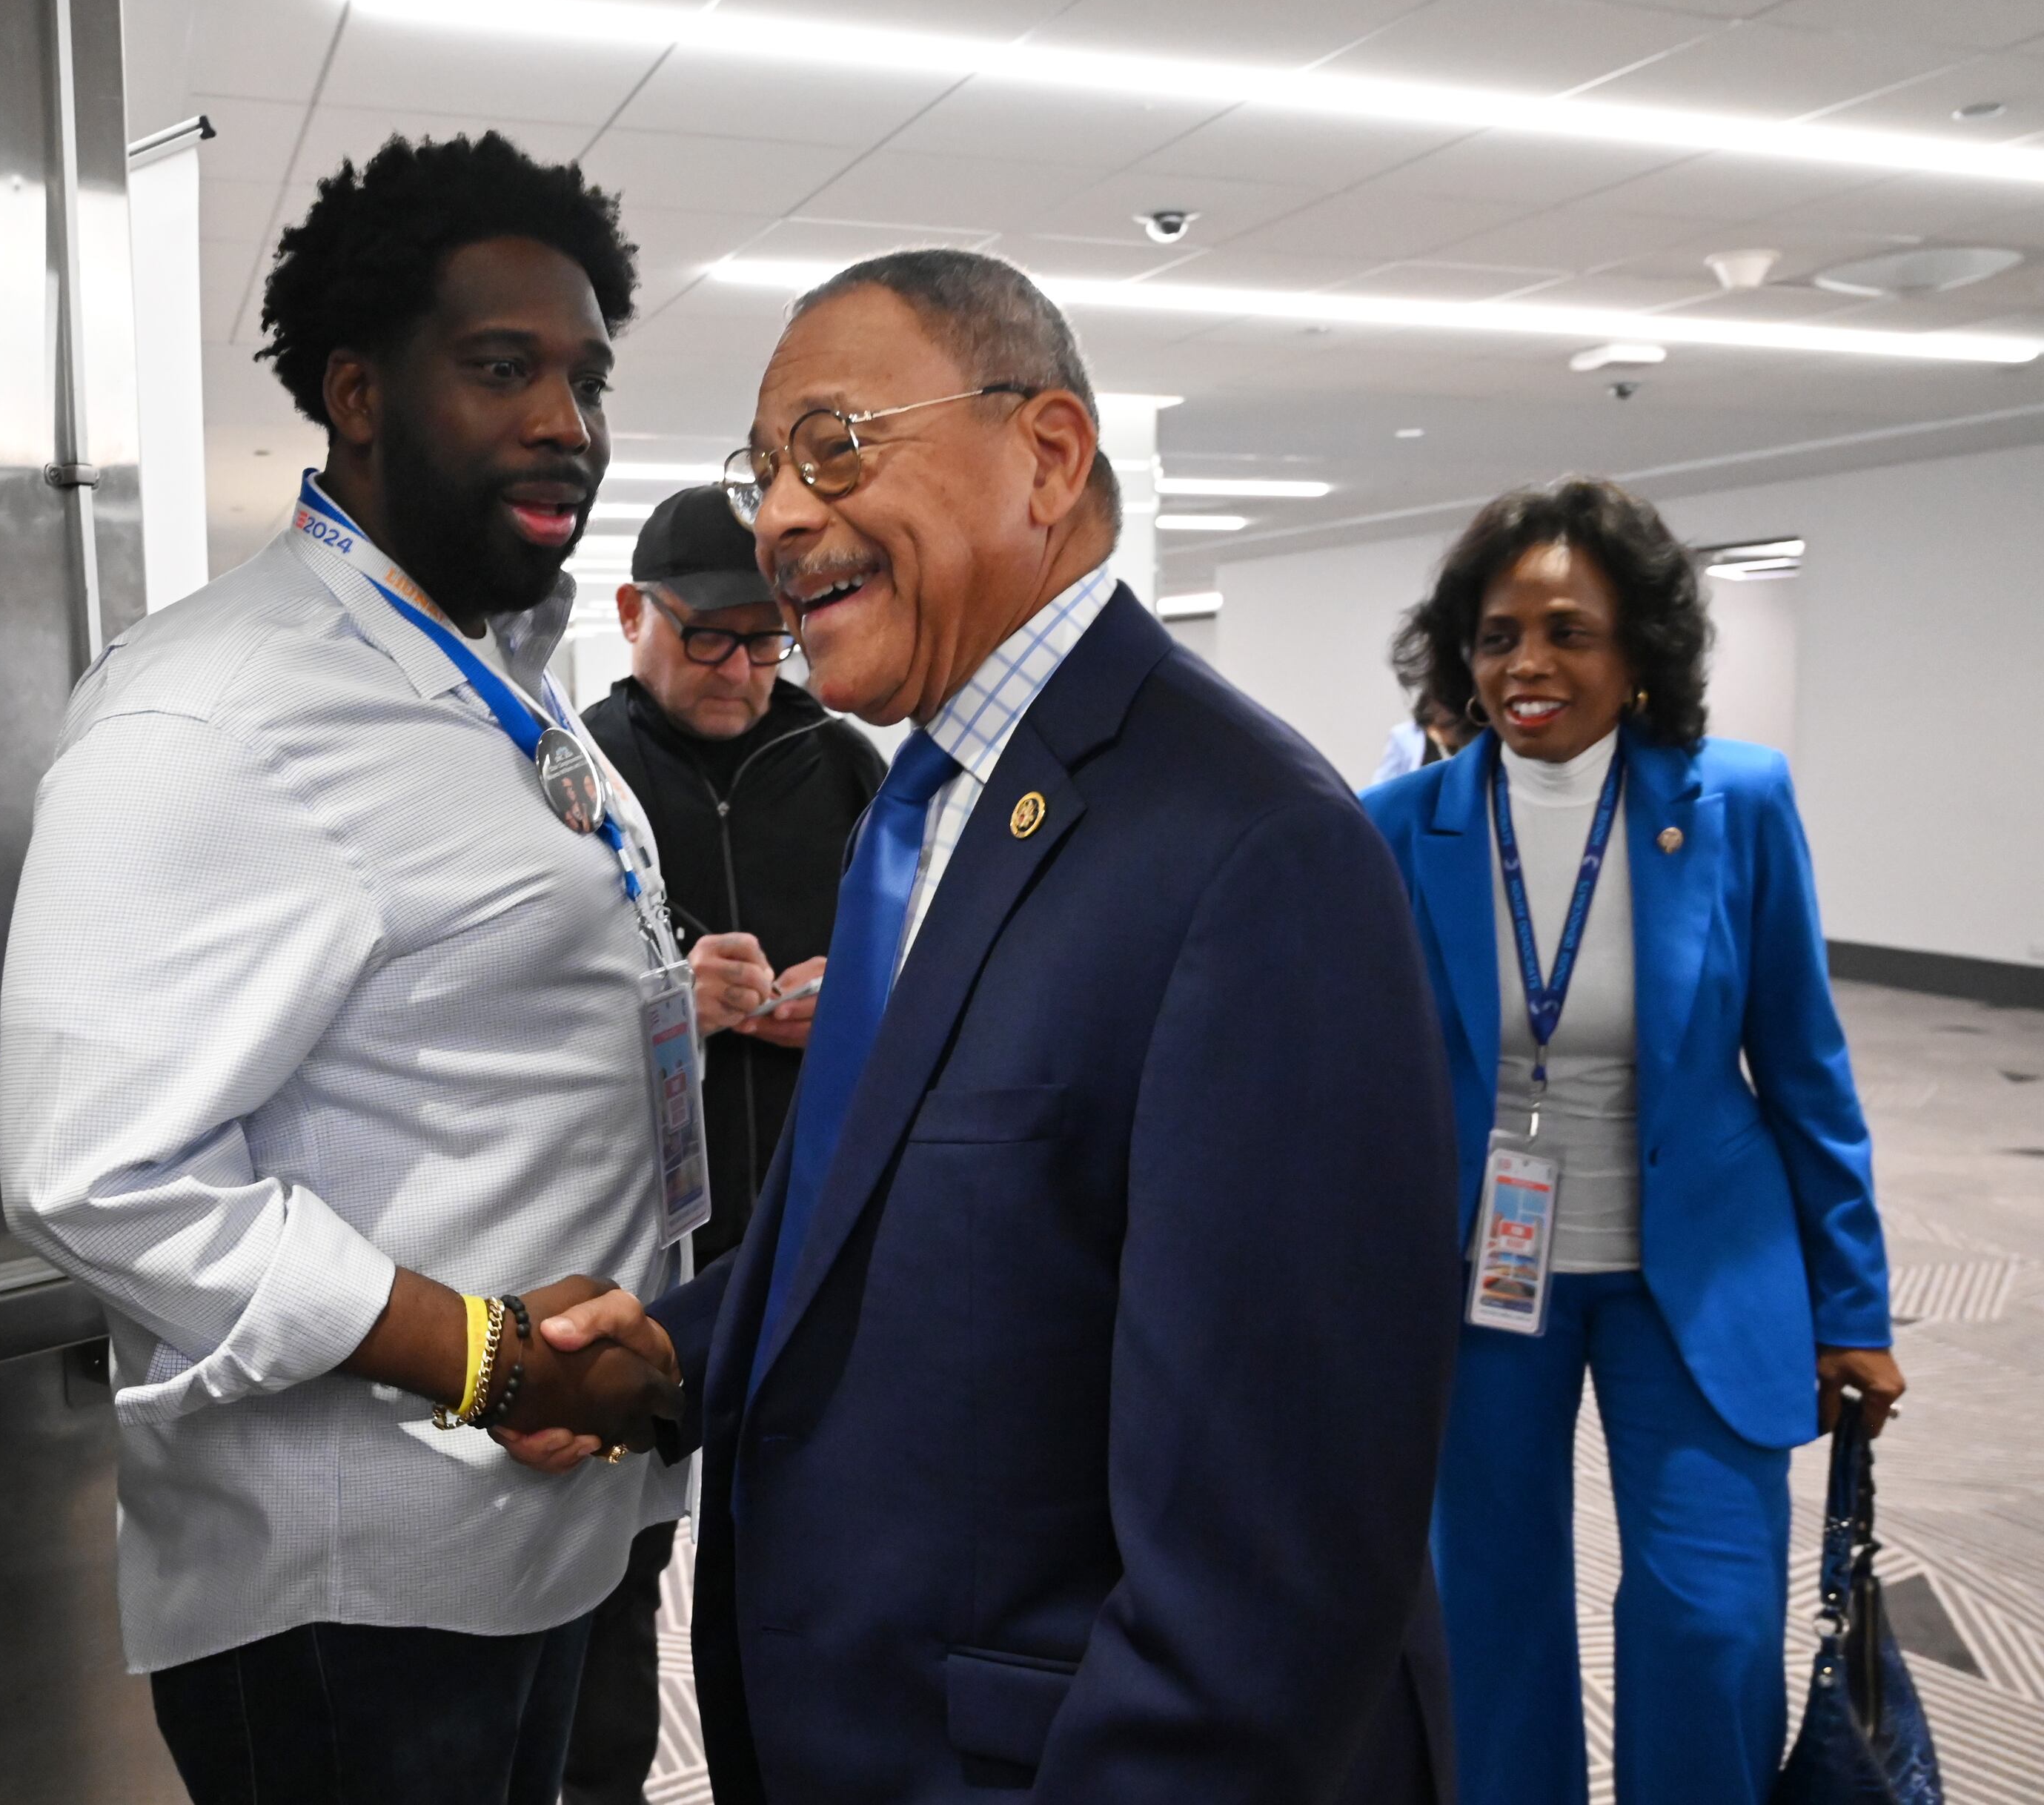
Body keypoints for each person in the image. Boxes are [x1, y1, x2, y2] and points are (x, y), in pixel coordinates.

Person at [510, 248, 1465, 1802]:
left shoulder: (1253, 851)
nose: (780, 517)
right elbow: (914, 1225)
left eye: (835, 444)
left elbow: (1269, 1575)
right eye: (764, 471)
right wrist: (674, 1346)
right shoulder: (930, 809)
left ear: (1050, 455)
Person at [0, 132, 691, 1805]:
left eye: (586, 378)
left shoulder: (496, 677)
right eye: (503, 367)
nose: (567, 425)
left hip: (563, 1514)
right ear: (357, 391)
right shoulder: (215, 715)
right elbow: (94, 1173)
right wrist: (489, 1356)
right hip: (359, 1589)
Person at [1362, 477, 1902, 1805]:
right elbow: (1370, 1088)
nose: (1528, 664)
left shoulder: (1738, 804)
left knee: (1710, 1618)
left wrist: (1855, 1303)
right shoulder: (1398, 826)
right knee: (1486, 1617)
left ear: (1638, 652)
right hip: (1486, 1269)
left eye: (1568, 630)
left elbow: (1804, 1068)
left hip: (1701, 1270)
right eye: (1497, 634)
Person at [565, 487, 883, 1805]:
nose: (746, 669)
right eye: (712, 639)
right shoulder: (569, 779)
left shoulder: (853, 770)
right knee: (612, 1579)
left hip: (807, 1233)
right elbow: (509, 1028)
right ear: (635, 614)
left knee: (812, 1562)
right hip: (633, 1248)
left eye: (772, 639)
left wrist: (853, 1006)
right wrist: (661, 1006)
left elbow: (931, 980)